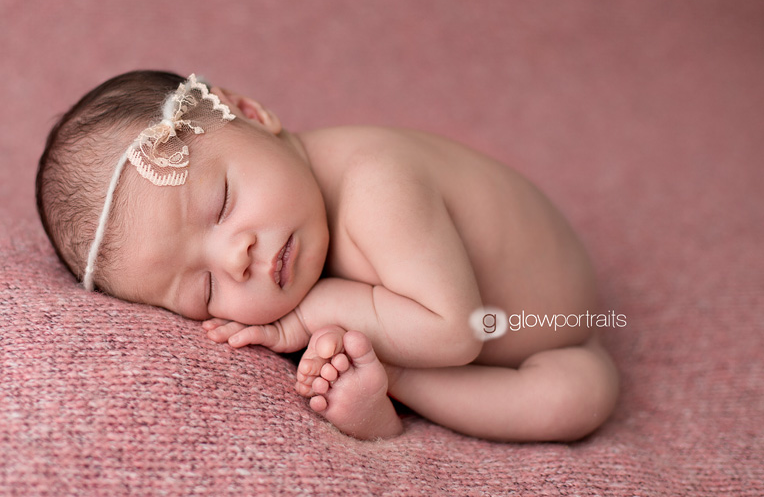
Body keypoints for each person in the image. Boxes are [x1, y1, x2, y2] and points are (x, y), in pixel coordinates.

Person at [36, 70, 619, 442]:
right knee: (573, 397)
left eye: (222, 202)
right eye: (205, 290)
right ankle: (383, 400)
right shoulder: (293, 244)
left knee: (576, 398)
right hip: (463, 339)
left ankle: (395, 373)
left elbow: (456, 335)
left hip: (557, 326)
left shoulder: (374, 183)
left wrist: (308, 316)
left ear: (253, 114)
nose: (236, 259)